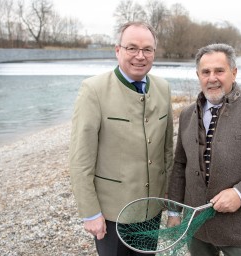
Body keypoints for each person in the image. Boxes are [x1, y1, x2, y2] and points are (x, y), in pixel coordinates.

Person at [167, 43, 241, 256]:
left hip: (240, 228)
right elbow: (180, 165)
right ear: (198, 75)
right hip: (196, 227)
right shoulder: (187, 115)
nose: (212, 78)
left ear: (233, 72)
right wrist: (174, 211)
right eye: (206, 72)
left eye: (219, 71)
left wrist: (240, 193)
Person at [69, 21, 174, 256]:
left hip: (151, 209)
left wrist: (169, 196)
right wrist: (90, 212)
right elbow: (80, 159)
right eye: (132, 48)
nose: (140, 56)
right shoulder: (93, 90)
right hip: (112, 214)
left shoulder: (163, 87)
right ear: (118, 50)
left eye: (147, 49)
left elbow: (167, 150)